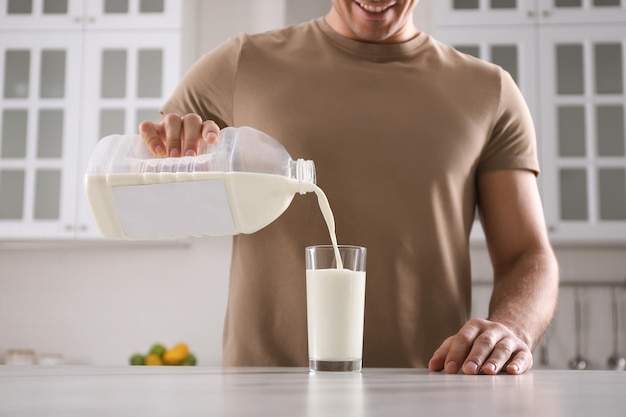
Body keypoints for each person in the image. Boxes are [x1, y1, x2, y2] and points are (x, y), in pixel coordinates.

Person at [139, 0, 559, 375]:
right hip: (263, 394)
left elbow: (527, 255)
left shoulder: (490, 92)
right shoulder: (238, 64)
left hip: (426, 392)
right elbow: (148, 192)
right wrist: (172, 150)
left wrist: (511, 328)